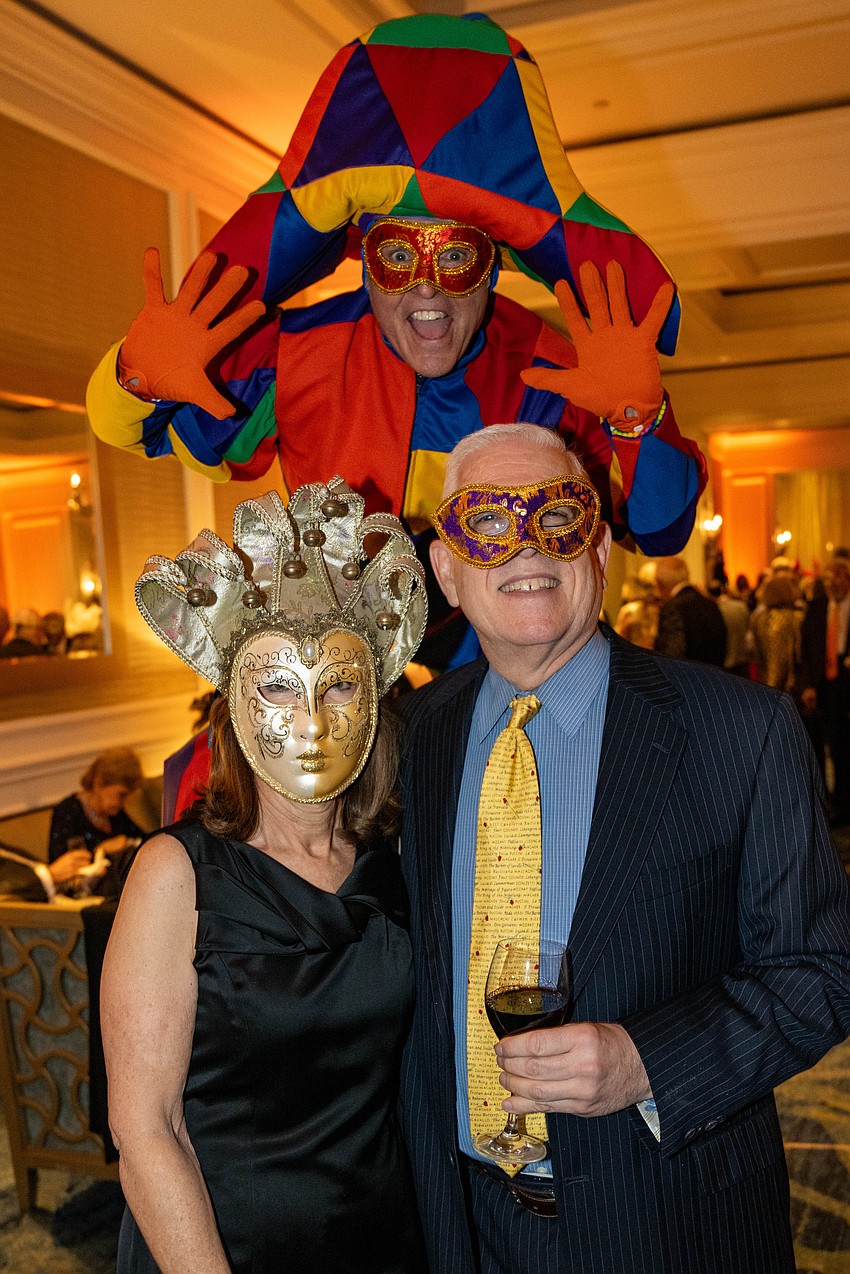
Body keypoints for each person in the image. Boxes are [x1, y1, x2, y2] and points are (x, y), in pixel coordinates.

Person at [397, 423, 850, 1274]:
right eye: (488, 523)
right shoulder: (412, 738)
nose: (527, 546)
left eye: (558, 518)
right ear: (447, 572)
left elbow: (821, 971)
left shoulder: (741, 731)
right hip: (459, 1225)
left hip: (669, 1224)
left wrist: (647, 1063)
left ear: (600, 550)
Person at [87, 13, 705, 561]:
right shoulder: (294, 355)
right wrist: (135, 377)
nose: (427, 289)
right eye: (397, 257)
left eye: (455, 257)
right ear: (363, 262)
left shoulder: (553, 376)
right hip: (344, 649)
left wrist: (639, 421)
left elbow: (659, 534)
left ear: (492, 266)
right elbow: (140, 433)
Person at [101, 479, 428, 1274]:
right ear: (234, 707)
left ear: (375, 701)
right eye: (278, 685)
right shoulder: (176, 873)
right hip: (222, 1248)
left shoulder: (394, 861)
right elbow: (145, 1129)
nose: (312, 720)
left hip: (380, 1238)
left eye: (340, 683)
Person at [798, 555, 850, 826]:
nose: (834, 583)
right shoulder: (817, 607)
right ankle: (827, 803)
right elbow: (806, 649)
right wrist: (807, 684)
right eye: (830, 578)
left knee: (843, 746)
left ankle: (844, 802)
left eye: (840, 577)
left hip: (846, 681)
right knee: (821, 743)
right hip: (822, 683)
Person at [48, 747, 145, 889]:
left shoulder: (115, 814)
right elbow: (61, 869)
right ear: (99, 784)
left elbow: (145, 840)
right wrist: (101, 850)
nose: (123, 802)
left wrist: (129, 842)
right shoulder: (68, 811)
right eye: (121, 795)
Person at [654, 555, 727, 666]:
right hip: (713, 673)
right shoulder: (710, 604)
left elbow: (671, 657)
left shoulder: (672, 608)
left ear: (660, 583)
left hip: (688, 675)